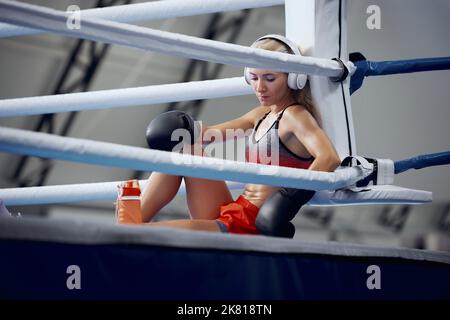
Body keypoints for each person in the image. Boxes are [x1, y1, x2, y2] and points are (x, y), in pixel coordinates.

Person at [117, 34, 341, 238]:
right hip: (234, 211)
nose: (260, 87)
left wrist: (289, 201)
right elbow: (207, 135)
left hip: (250, 225)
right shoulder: (261, 114)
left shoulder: (295, 115)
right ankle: (129, 222)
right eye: (254, 77)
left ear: (293, 78)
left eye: (270, 78)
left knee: (143, 233)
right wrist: (178, 127)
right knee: (183, 147)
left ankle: (128, 224)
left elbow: (329, 158)